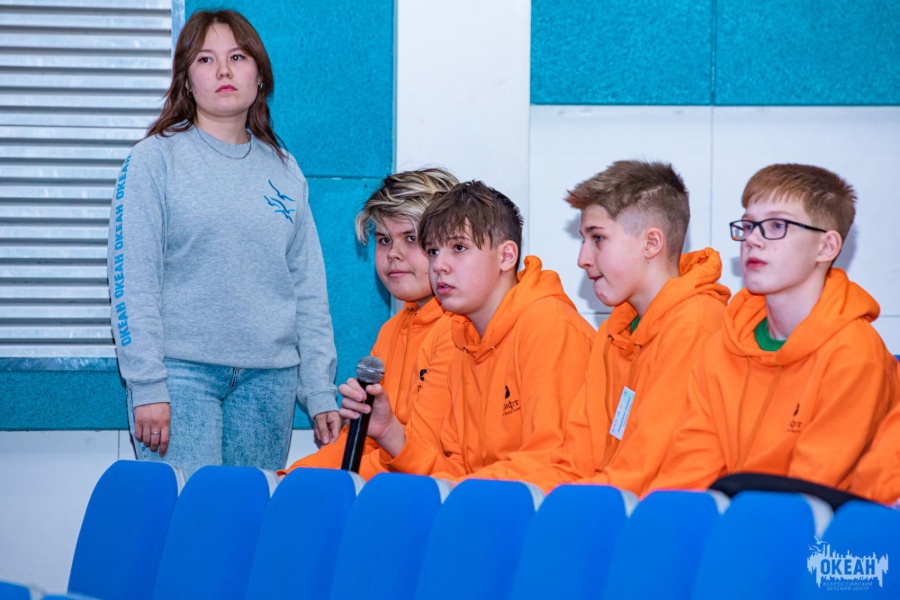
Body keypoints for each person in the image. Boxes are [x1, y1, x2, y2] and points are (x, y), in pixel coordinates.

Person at [107, 10, 339, 477]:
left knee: (246, 517)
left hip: (269, 383)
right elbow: (133, 281)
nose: (223, 71)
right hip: (180, 377)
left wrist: (319, 390)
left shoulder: (285, 170)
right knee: (189, 516)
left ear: (259, 75)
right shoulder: (154, 160)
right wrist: (147, 385)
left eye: (237, 57)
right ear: (187, 80)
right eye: (206, 59)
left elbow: (308, 290)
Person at [651, 163, 898, 492]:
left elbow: (809, 492)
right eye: (749, 225)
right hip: (737, 516)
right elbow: (687, 475)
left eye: (777, 225)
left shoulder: (855, 355)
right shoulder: (720, 349)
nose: (753, 240)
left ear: (826, 247)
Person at [339, 181, 595, 480]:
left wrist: (463, 495)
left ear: (506, 256)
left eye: (458, 247)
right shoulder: (464, 338)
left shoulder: (550, 327)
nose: (439, 265)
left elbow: (555, 465)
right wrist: (389, 432)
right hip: (489, 501)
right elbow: (454, 470)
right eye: (433, 251)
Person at [522, 160, 730, 496]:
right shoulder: (613, 332)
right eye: (584, 240)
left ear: (651, 243)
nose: (582, 258)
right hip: (610, 504)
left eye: (598, 238)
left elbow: (643, 473)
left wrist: (568, 505)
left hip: (659, 517)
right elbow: (574, 460)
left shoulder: (696, 324)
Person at [278, 168, 458, 479]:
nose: (393, 254)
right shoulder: (391, 332)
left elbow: (419, 458)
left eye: (410, 238)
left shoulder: (460, 330)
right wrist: (294, 477)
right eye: (384, 240)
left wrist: (323, 482)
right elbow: (359, 441)